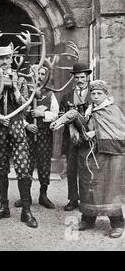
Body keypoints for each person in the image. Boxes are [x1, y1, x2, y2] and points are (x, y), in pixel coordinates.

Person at [51, 80, 125, 238]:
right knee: (88, 186)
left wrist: (96, 134)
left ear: (106, 95)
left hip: (107, 157)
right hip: (90, 156)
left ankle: (117, 223)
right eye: (93, 93)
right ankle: (88, 218)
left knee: (108, 189)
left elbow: (119, 132)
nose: (96, 96)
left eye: (99, 93)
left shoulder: (112, 110)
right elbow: (85, 127)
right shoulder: (90, 110)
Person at [0, 43, 38, 228]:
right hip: (0, 130)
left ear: (12, 59)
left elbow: (26, 106)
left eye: (7, 58)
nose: (4, 61)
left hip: (17, 128)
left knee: (23, 169)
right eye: (1, 58)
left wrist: (14, 87)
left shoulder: (22, 80)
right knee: (1, 169)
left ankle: (26, 210)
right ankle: (4, 207)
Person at [14, 65, 58, 209]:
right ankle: (25, 196)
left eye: (42, 74)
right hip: (28, 135)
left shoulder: (50, 94)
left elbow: (56, 114)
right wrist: (26, 125)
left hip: (44, 135)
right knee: (26, 165)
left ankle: (43, 195)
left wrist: (42, 114)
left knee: (44, 164)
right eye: (36, 73)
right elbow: (17, 113)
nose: (39, 76)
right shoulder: (25, 92)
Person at [59, 62, 92, 211]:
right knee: (71, 170)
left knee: (86, 169)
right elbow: (60, 116)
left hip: (88, 138)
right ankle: (73, 199)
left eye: (82, 77)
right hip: (71, 138)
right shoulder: (66, 96)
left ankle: (86, 200)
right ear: (73, 78)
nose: (80, 80)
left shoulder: (94, 94)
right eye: (77, 77)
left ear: (87, 77)